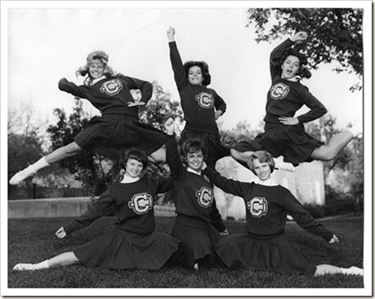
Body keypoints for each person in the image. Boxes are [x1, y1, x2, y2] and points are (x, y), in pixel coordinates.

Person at [10, 50, 167, 185]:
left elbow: (147, 85)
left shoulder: (121, 79)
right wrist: (65, 80)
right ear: (88, 68)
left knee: (161, 157)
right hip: (109, 124)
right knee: (71, 148)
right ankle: (30, 170)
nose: (96, 69)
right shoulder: (89, 89)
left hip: (132, 123)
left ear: (105, 68)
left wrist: (143, 101)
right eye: (93, 66)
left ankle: (187, 171)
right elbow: (63, 85)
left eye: (99, 66)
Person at [13, 148, 181, 272]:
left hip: (146, 238)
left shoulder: (150, 183)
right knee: (79, 256)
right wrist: (69, 228)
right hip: (122, 238)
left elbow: (176, 178)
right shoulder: (115, 190)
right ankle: (36, 266)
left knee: (173, 247)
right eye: (132, 164)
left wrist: (172, 142)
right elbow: (95, 212)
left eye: (139, 165)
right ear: (125, 165)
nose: (136, 168)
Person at [201, 150, 363, 276]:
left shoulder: (281, 193)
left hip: (275, 244)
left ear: (271, 166)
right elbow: (223, 182)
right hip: (252, 242)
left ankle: (348, 270)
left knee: (309, 271)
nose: (261, 170)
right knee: (220, 254)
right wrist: (205, 169)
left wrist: (325, 234)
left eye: (264, 166)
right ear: (253, 169)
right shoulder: (247, 188)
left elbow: (303, 217)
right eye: (257, 167)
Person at [230, 32, 362, 172]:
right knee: (236, 151)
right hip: (270, 134)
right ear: (281, 65)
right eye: (288, 62)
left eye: (295, 65)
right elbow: (274, 54)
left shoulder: (299, 89)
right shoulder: (276, 79)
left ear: (298, 69)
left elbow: (320, 108)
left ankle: (357, 128)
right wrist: (292, 39)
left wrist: (298, 120)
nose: (290, 66)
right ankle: (276, 162)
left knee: (327, 153)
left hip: (288, 134)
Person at [164, 117, 228, 271]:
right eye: (191, 156)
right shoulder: (181, 175)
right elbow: (172, 158)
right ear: (186, 159)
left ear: (203, 158)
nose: (195, 159)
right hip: (187, 227)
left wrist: (221, 228)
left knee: (221, 252)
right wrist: (170, 134)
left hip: (204, 227)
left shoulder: (206, 181)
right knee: (202, 257)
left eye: (199, 156)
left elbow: (211, 209)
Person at [166, 27, 230, 169]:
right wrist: (171, 41)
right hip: (192, 134)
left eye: (198, 73)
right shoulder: (185, 88)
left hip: (212, 136)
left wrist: (218, 112)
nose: (194, 75)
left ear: (203, 76)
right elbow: (176, 65)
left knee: (212, 170)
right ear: (187, 76)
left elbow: (222, 104)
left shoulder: (211, 92)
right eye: (191, 73)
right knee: (191, 169)